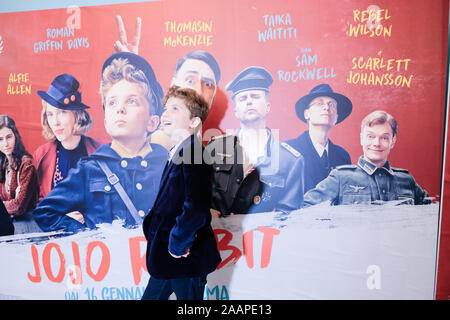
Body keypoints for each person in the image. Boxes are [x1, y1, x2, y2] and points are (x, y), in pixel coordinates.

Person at [32, 52, 167, 233]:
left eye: (132, 101)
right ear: (105, 121)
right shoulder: (89, 169)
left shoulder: (169, 164)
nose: (120, 108)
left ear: (153, 121)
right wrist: (84, 236)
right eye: (112, 103)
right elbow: (44, 212)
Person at [142, 86, 221, 300]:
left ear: (194, 122)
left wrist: (177, 244)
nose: (166, 113)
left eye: (175, 109)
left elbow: (196, 207)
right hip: (168, 258)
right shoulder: (178, 152)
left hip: (184, 258)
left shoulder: (193, 151)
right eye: (166, 109)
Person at [206, 66, 304, 216]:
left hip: (264, 238)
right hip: (217, 237)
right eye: (243, 98)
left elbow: (289, 219)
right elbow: (199, 200)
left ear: (268, 106)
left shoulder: (289, 161)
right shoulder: (216, 148)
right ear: (236, 111)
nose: (249, 102)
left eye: (255, 96)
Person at [113, 15, 221, 149]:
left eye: (208, 84)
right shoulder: (157, 142)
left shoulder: (222, 146)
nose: (198, 89)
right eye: (190, 79)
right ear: (173, 85)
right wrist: (131, 73)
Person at [303, 110, 430, 206]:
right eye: (370, 136)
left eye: (384, 138)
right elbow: (305, 209)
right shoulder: (341, 178)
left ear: (393, 141)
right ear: (361, 139)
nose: (376, 143)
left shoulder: (407, 180)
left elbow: (433, 216)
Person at [34, 74, 103, 202]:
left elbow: (109, 201)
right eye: (50, 114)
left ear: (77, 115)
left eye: (62, 112)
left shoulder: (101, 151)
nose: (55, 122)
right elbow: (38, 202)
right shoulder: (41, 155)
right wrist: (60, 213)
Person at [284, 84, 352, 193]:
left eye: (332, 105)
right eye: (319, 103)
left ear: (336, 118)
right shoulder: (288, 150)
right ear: (307, 114)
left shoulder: (343, 156)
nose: (326, 107)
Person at [0, 115, 39, 220]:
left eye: (9, 137)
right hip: (10, 222)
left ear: (15, 136)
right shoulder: (3, 164)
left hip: (28, 223)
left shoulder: (26, 165)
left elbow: (19, 206)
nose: (6, 144)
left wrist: (3, 206)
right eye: (0, 139)